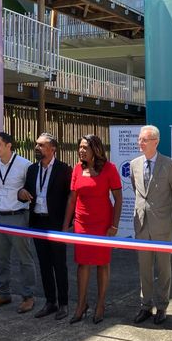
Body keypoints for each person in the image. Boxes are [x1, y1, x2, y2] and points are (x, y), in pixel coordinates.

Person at [63, 135, 122, 324]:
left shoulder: (109, 169)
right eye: (79, 147)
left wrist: (114, 225)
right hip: (82, 223)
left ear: (95, 149)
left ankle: (100, 305)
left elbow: (118, 199)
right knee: (82, 263)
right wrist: (66, 225)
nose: (81, 150)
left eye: (85, 147)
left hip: (103, 224)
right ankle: (81, 305)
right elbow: (72, 199)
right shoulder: (77, 169)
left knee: (102, 263)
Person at [131, 125, 172, 325]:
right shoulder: (135, 164)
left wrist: (164, 216)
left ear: (156, 141)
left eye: (144, 140)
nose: (140, 143)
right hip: (142, 224)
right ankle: (145, 306)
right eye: (139, 139)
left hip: (162, 225)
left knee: (163, 268)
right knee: (144, 268)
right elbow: (138, 191)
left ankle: (162, 307)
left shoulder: (170, 164)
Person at [18, 133, 72, 320]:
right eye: (36, 145)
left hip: (55, 223)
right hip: (38, 222)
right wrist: (22, 192)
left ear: (52, 148)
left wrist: (67, 224)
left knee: (59, 265)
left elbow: (70, 199)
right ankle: (50, 302)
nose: (37, 148)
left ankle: (63, 304)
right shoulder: (32, 169)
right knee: (44, 265)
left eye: (41, 145)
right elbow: (23, 191)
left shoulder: (64, 169)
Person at [0, 132, 36, 313]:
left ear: (9, 145)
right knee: (0, 259)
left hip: (18, 216)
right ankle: (3, 293)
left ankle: (28, 296)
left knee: (24, 259)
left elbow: (31, 190)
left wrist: (23, 191)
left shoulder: (24, 165)